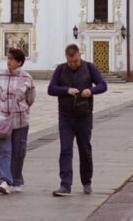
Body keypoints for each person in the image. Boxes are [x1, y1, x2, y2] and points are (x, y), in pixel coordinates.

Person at [48, 44, 107, 197]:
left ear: (80, 56)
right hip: (66, 116)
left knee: (85, 149)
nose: (73, 64)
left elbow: (103, 85)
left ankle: (87, 182)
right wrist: (66, 90)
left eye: (75, 61)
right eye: (70, 62)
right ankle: (65, 184)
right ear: (66, 58)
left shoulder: (89, 67)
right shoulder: (60, 69)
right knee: (65, 149)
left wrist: (91, 91)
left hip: (84, 115)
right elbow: (51, 89)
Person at [0, 48, 35, 195]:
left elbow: (31, 98)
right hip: (3, 120)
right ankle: (3, 180)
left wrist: (23, 109)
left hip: (20, 120)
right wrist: (1, 108)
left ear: (19, 62)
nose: (8, 61)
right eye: (8, 58)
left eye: (12, 59)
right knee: (4, 151)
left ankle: (16, 179)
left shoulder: (26, 78)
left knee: (19, 151)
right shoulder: (0, 75)